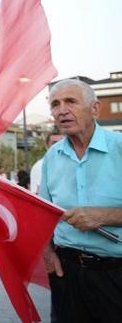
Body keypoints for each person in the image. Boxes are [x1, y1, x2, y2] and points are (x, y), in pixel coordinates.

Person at [40, 79, 122, 321]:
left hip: (115, 273)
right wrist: (47, 253)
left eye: (71, 102)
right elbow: (43, 214)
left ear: (95, 108)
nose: (62, 110)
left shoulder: (119, 148)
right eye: (55, 104)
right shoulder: (52, 157)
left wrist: (104, 216)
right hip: (67, 272)